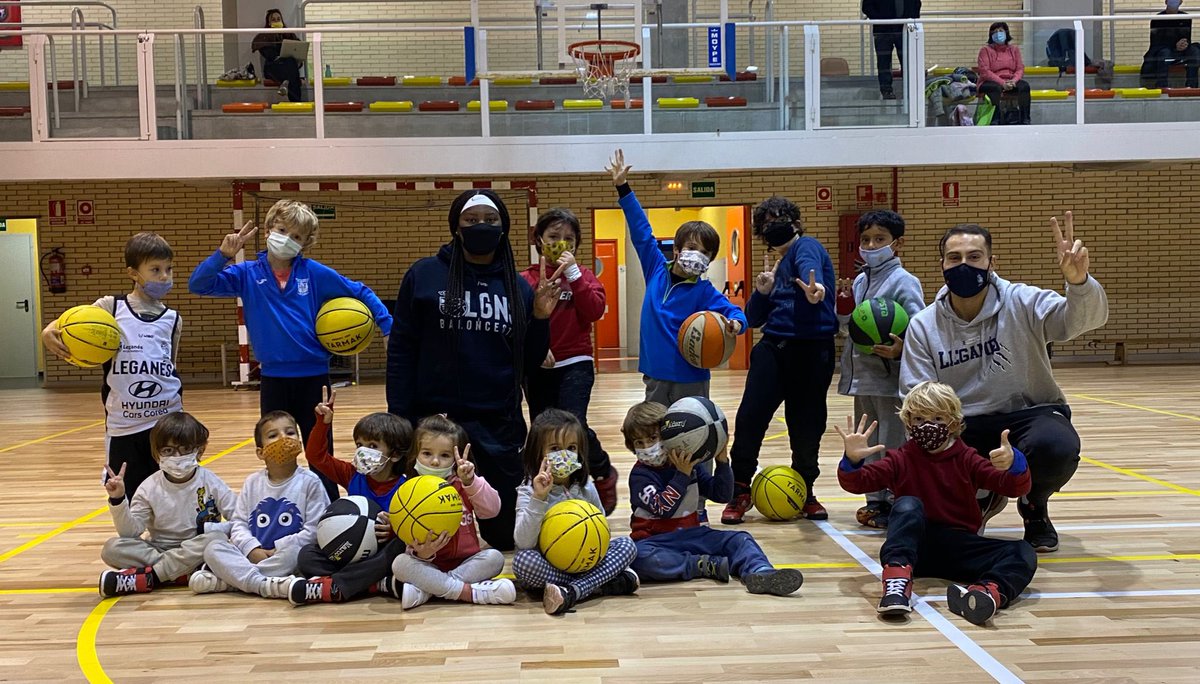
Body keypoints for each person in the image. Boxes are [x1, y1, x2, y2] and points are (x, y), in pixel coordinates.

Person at [899, 213, 1108, 553]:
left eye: (974, 257)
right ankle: (979, 496)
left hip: (1029, 415)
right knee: (925, 469)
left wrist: (1080, 283)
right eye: (955, 258)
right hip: (963, 424)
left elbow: (1082, 321)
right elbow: (916, 395)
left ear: (992, 262)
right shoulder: (924, 325)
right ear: (942, 265)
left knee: (1056, 448)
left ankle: (1033, 503)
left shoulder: (1023, 301)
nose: (963, 264)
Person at [386, 189, 559, 552]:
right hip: (436, 425)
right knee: (428, 536)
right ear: (456, 226)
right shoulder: (424, 275)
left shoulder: (519, 289)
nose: (481, 226)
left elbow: (529, 363)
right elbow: (401, 350)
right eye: (471, 220)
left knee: (504, 536)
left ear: (503, 227)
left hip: (498, 422)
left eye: (490, 220)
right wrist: (401, 418)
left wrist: (541, 317)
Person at [189, 199, 393, 503]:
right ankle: (285, 506)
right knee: (277, 452)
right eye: (282, 230)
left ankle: (329, 510)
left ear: (305, 242)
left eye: (296, 236)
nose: (287, 238)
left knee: (320, 454)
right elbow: (199, 285)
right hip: (273, 380)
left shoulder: (315, 274)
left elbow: (360, 291)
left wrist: (387, 325)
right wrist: (222, 256)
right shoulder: (246, 274)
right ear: (270, 228)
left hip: (314, 379)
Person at [835, 382, 1037, 625]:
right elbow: (857, 483)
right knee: (907, 504)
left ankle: (985, 594)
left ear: (953, 422)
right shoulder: (901, 458)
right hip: (915, 548)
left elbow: (1014, 487)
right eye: (919, 418)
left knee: (1023, 551)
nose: (927, 425)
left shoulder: (968, 458)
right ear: (909, 423)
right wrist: (852, 460)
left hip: (958, 547)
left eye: (937, 417)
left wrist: (1015, 464)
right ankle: (896, 585)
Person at [42, 232, 182, 501]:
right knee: (123, 491)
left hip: (167, 418)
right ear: (133, 273)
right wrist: (48, 331)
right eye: (155, 270)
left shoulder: (174, 319)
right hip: (124, 423)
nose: (164, 276)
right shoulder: (110, 307)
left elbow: (170, 365)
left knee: (172, 490)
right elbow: (68, 323)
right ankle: (130, 539)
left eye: (168, 269)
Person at [722, 196, 837, 524]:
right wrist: (762, 291)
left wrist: (817, 291)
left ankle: (805, 490)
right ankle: (740, 489)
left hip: (813, 351)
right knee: (749, 420)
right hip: (773, 348)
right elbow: (753, 319)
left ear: (795, 221)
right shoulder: (773, 267)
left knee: (806, 426)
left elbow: (810, 274)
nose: (775, 225)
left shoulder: (807, 247)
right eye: (767, 222)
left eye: (780, 218)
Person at [621, 402, 804, 595]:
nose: (647, 447)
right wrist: (682, 475)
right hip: (656, 542)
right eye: (639, 443)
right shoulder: (640, 476)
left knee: (740, 538)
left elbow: (722, 495)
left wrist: (722, 461)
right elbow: (663, 507)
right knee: (638, 558)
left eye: (652, 438)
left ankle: (760, 572)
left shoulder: (690, 464)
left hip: (693, 535)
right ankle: (703, 565)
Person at [520, 208, 619, 515]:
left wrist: (574, 276)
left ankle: (601, 471)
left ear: (576, 246)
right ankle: (553, 489)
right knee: (543, 429)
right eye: (553, 237)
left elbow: (594, 311)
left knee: (575, 424)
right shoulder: (525, 279)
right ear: (538, 240)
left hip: (576, 362)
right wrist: (536, 348)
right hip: (538, 368)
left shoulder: (584, 276)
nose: (560, 244)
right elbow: (517, 324)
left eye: (568, 239)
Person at [835, 210, 925, 529]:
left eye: (880, 239)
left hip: (891, 378)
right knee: (868, 440)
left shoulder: (905, 281)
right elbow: (854, 330)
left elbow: (919, 326)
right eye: (866, 240)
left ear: (897, 243)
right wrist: (844, 308)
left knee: (892, 441)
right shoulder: (860, 281)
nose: (871, 245)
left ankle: (894, 498)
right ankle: (874, 500)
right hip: (863, 379)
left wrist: (902, 348)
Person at [290, 388, 412, 605]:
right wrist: (322, 423)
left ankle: (336, 586)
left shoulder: (408, 487)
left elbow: (413, 528)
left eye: (373, 446)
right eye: (359, 445)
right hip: (350, 551)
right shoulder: (352, 475)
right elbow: (316, 457)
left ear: (395, 454)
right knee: (307, 555)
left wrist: (395, 529)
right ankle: (373, 584)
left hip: (380, 553)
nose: (363, 452)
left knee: (399, 549)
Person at [189, 411, 330, 599]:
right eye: (273, 435)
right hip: (252, 556)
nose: (283, 438)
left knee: (299, 553)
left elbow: (315, 530)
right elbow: (239, 524)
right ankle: (265, 584)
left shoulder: (310, 482)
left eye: (290, 432)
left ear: (299, 443)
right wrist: (251, 549)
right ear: (260, 452)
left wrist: (277, 549)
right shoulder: (252, 482)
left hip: (285, 556)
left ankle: (231, 582)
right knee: (213, 548)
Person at [513, 409, 639, 616]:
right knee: (524, 562)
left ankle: (571, 591)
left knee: (627, 545)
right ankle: (599, 585)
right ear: (537, 453)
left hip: (586, 562)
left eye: (571, 447)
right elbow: (524, 542)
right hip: (550, 566)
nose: (565, 454)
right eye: (555, 448)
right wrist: (539, 499)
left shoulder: (586, 486)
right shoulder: (528, 490)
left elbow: (603, 529)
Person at [97, 412, 235, 597]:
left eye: (185, 449)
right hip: (160, 548)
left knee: (216, 538)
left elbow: (238, 516)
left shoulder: (211, 481)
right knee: (112, 548)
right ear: (157, 453)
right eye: (168, 451)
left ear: (199, 450)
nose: (177, 456)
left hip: (197, 546)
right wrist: (118, 499)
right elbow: (130, 533)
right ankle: (183, 573)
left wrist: (217, 530)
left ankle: (152, 577)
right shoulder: (148, 487)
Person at [390, 415, 517, 609]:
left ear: (455, 459)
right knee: (400, 564)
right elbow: (408, 540)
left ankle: (430, 590)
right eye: (427, 453)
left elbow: (492, 510)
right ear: (415, 455)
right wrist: (424, 554)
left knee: (495, 558)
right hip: (428, 564)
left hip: (467, 562)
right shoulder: (408, 490)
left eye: (444, 455)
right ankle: (470, 593)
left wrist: (471, 482)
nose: (434, 462)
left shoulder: (464, 485)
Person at [862, 0, 922, 99]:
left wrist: (912, 20)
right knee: (883, 63)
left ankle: (910, 91)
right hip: (882, 30)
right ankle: (886, 91)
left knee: (908, 62)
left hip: (905, 28)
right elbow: (867, 6)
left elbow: (916, 3)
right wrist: (880, 19)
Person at [977, 22, 1032, 125]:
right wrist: (1002, 83)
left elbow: (1020, 68)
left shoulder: (1014, 50)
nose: (998, 34)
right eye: (995, 32)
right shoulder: (985, 50)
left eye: (1000, 31)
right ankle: (995, 120)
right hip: (990, 81)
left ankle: (1025, 120)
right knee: (994, 88)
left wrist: (1014, 81)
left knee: (1024, 86)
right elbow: (985, 72)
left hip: (1011, 80)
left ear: (1006, 33)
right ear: (991, 35)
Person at [1140, 0, 1200, 89]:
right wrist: (1174, 46)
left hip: (1180, 51)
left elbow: (1186, 37)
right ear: (1166, 2)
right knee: (1165, 52)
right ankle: (1162, 86)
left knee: (1195, 51)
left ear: (1180, 2)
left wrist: (1184, 44)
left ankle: (1191, 86)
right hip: (1164, 51)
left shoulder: (1186, 17)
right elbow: (1156, 43)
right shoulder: (1158, 18)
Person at [252, 9, 305, 103]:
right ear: (269, 22)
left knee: (290, 62)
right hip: (272, 68)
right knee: (291, 69)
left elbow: (299, 50)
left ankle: (286, 83)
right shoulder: (263, 36)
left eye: (278, 19)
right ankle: (296, 100)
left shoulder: (289, 34)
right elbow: (269, 55)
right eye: (273, 19)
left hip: (289, 66)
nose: (277, 21)